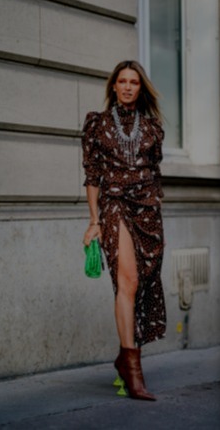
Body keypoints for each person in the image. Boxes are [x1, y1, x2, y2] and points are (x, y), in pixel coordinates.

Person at [82, 60, 166, 401]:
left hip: (147, 208)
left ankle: (123, 357)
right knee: (127, 280)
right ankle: (133, 370)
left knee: (143, 283)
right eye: (123, 81)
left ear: (140, 88)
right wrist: (94, 220)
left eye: (134, 82)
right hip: (113, 204)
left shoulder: (151, 127)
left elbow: (155, 169)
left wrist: (154, 205)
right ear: (113, 87)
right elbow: (92, 175)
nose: (128, 87)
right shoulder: (97, 124)